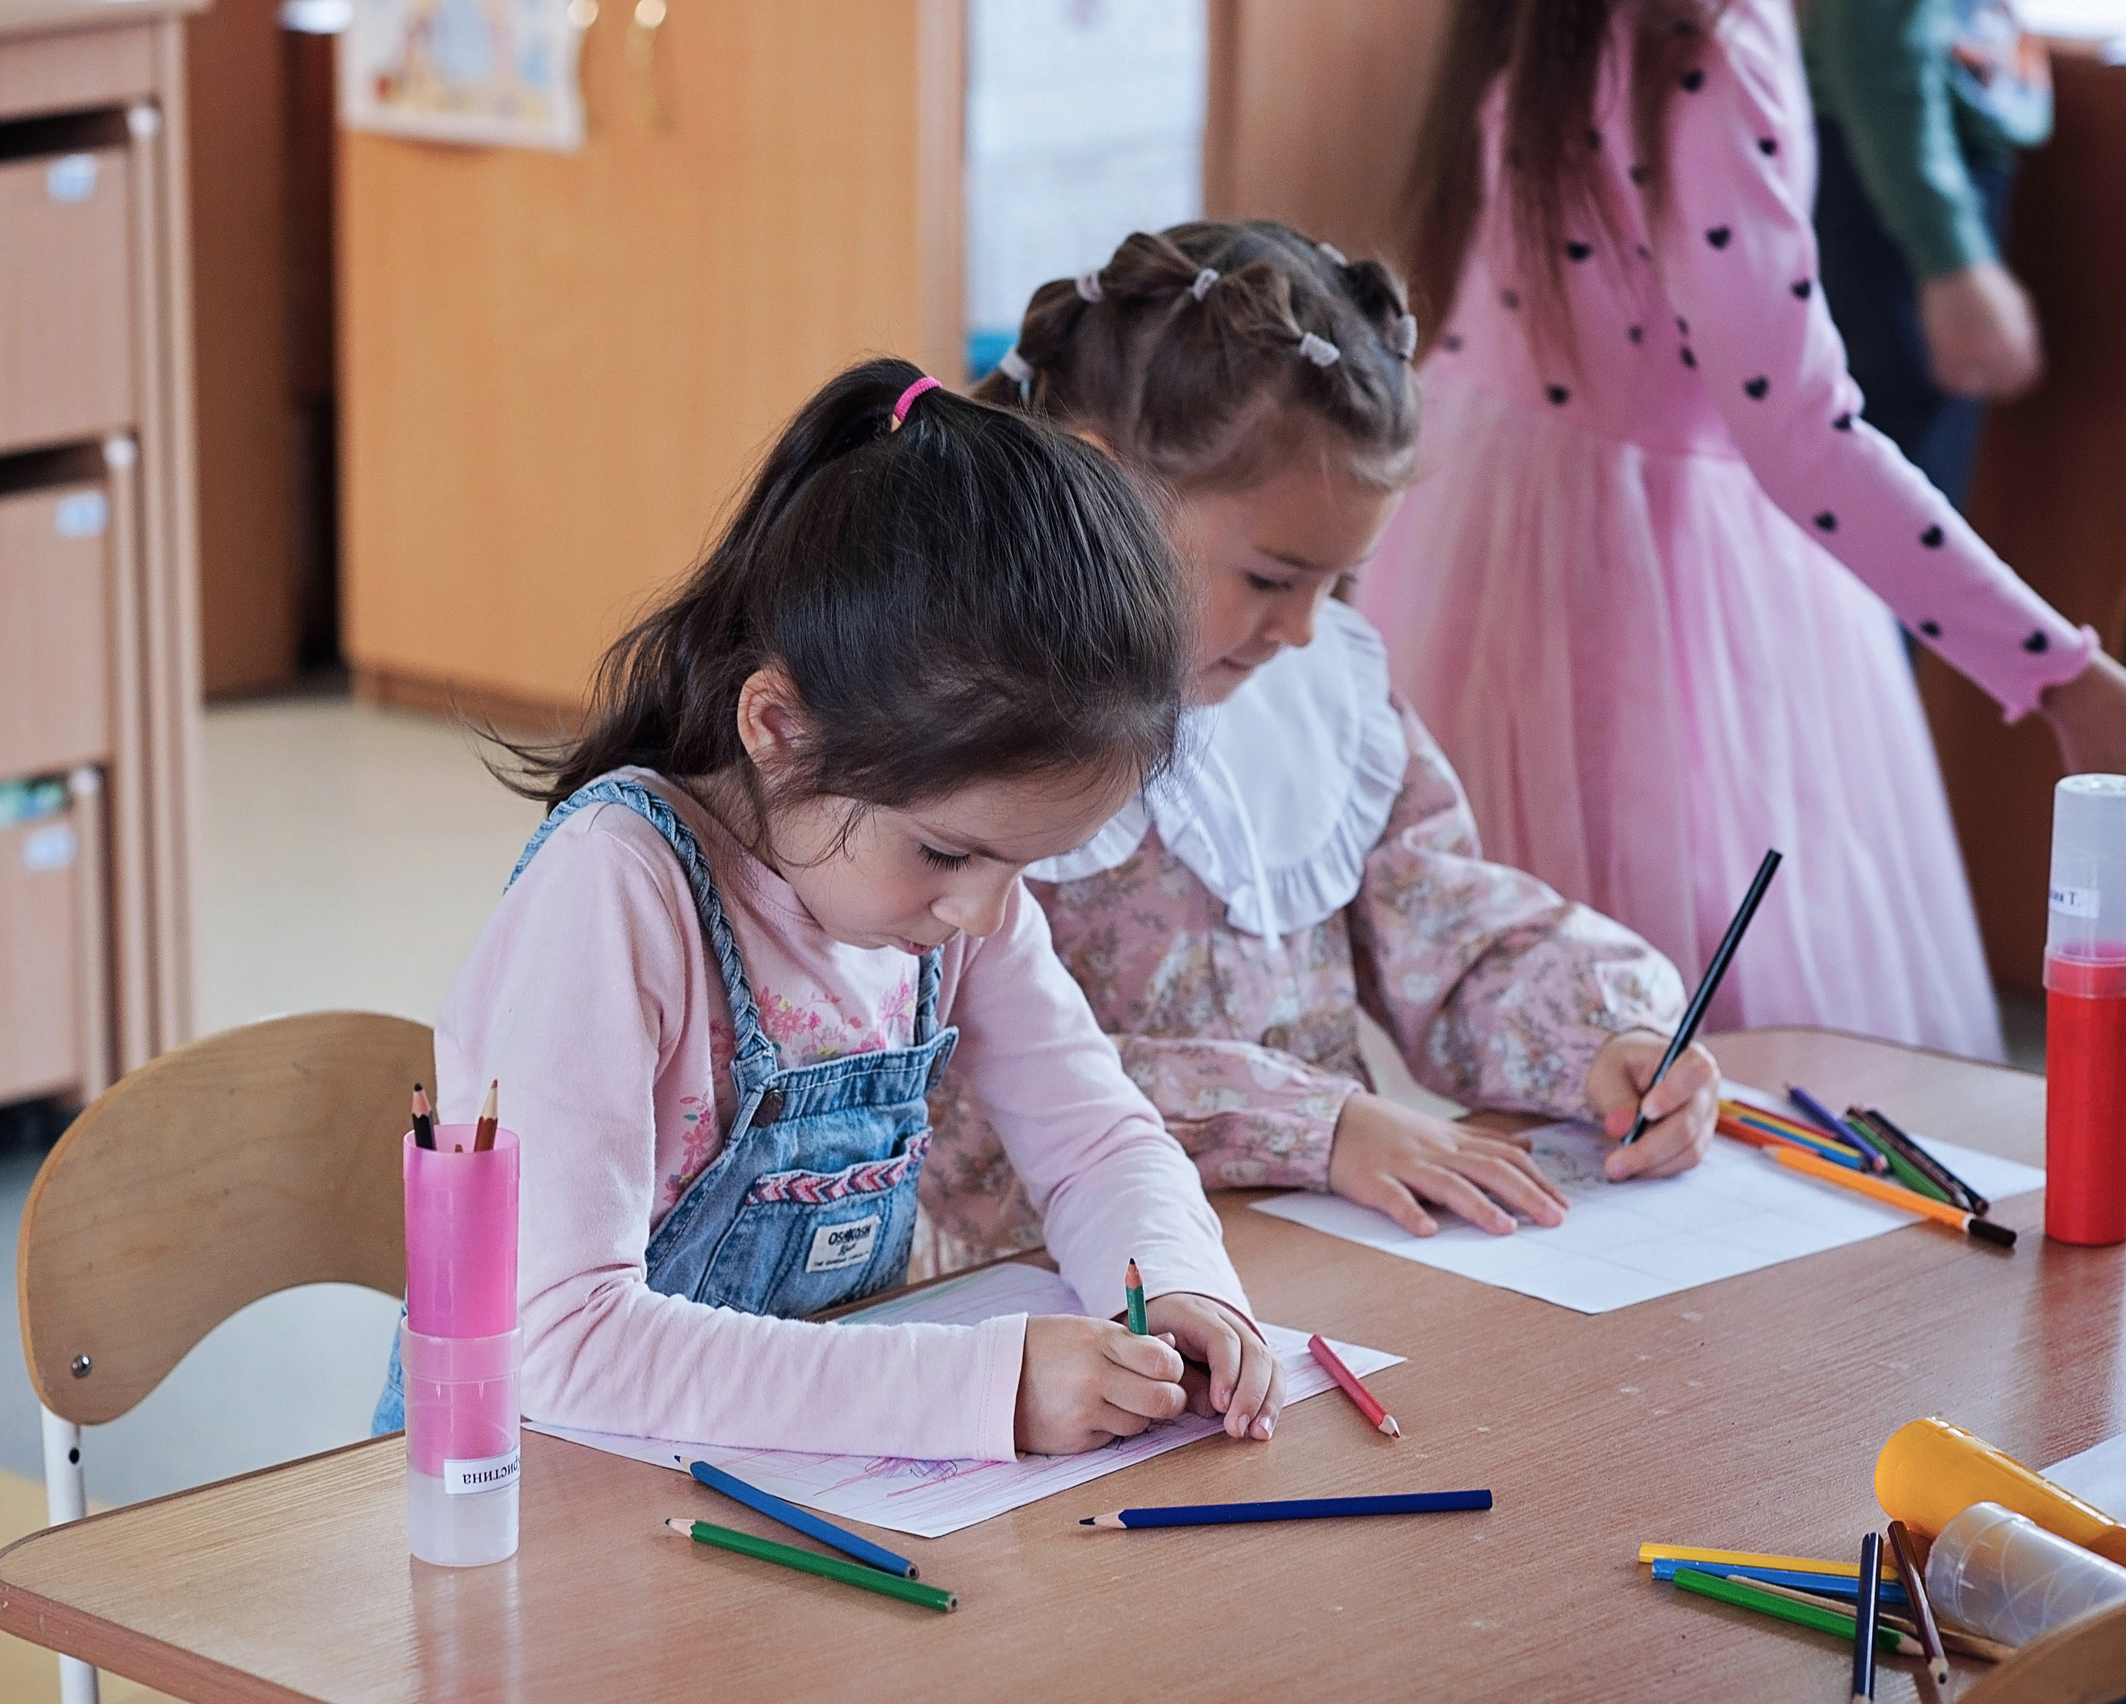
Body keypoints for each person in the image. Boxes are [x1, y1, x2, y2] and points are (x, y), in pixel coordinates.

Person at [373, 359, 1278, 1460]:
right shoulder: (617, 892)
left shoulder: (948, 905)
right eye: (949, 851)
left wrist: (1178, 1287)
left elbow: (1095, 1145)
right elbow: (556, 1342)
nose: (986, 914)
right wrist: (977, 1391)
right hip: (533, 1514)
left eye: (1024, 864)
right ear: (780, 730)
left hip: (785, 1505)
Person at [917, 223, 1718, 1275]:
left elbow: (1440, 923)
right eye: (1269, 577)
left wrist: (1605, 1040)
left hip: (1319, 1255)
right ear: (1101, 485)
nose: (1299, 629)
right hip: (1058, 1295)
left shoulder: (1315, 683)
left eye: (1332, 585)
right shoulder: (950, 716)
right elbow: (957, 1090)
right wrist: (1311, 1125)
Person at [1360, 0, 2126, 1059]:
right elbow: (1800, 431)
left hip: (1483, 507)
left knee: (1524, 979)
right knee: (1680, 1009)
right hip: (1634, 558)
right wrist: (2059, 673)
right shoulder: (1707, 51)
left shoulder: (1574, 23)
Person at [1808, 0, 2049, 503]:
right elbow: (1871, 47)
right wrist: (1949, 257)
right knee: (1891, 501)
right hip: (1888, 186)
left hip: (1910, 173)